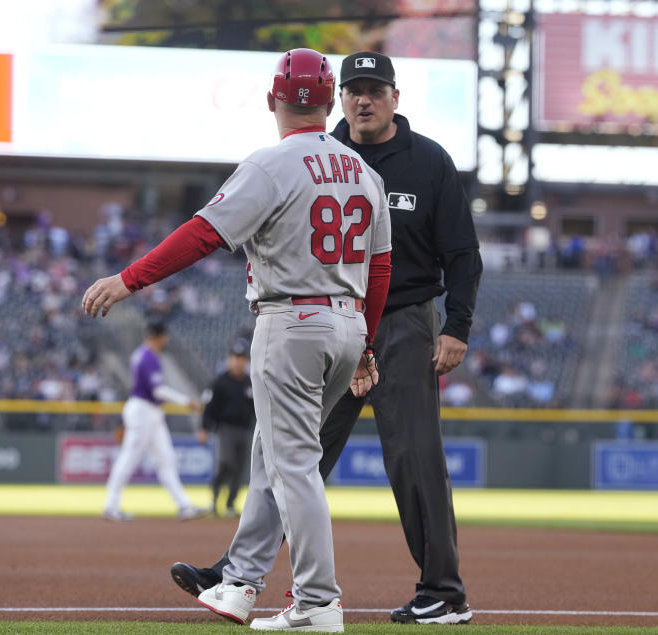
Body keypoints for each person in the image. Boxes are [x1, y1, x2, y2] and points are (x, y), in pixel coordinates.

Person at [82, 47, 392, 633]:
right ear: (331, 104)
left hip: (293, 321)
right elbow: (380, 270)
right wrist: (367, 344)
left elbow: (203, 234)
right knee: (269, 456)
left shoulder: (272, 164)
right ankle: (241, 583)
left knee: (293, 464)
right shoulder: (365, 172)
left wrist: (129, 279)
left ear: (275, 99)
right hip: (348, 323)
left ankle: (319, 602)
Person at [169, 50, 482, 626]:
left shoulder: (428, 161)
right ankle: (238, 572)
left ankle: (442, 589)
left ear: (395, 97)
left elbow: (463, 253)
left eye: (375, 89)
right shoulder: (322, 154)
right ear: (337, 96)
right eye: (353, 89)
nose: (363, 100)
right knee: (289, 452)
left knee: (414, 456)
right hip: (336, 322)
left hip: (406, 321)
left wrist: (457, 326)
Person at [102, 322, 207, 522]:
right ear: (158, 336)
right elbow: (157, 391)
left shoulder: (141, 354)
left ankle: (184, 505)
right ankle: (110, 505)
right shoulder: (149, 356)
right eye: (164, 336)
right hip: (143, 410)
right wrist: (185, 401)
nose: (165, 340)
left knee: (166, 459)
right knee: (129, 458)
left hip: (149, 412)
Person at [197, 339, 255, 517]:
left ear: (246, 361)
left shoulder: (250, 382)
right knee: (227, 462)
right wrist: (204, 428)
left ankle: (230, 504)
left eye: (241, 358)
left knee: (240, 469)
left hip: (245, 429)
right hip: (226, 428)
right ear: (229, 359)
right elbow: (209, 407)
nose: (238, 361)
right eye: (235, 357)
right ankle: (215, 496)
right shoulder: (220, 382)